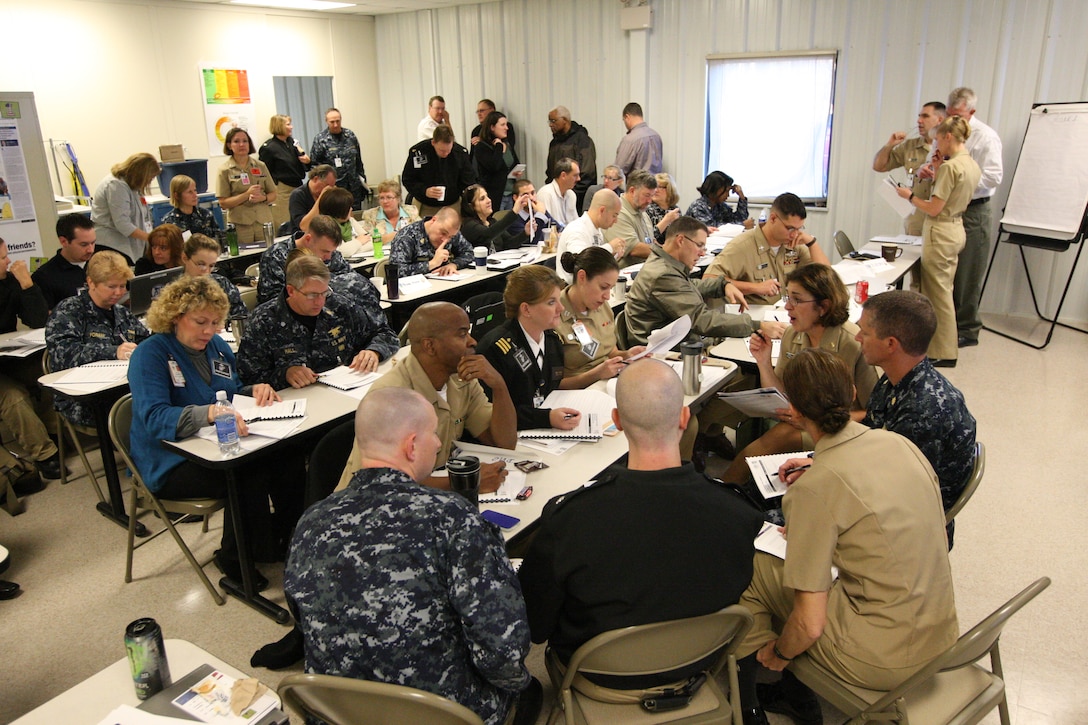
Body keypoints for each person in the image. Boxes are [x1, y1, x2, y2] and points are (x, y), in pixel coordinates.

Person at [735, 348, 956, 725]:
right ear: (853, 392)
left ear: (796, 413)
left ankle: (754, 690)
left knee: (750, 566)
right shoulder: (900, 445)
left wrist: (783, 653)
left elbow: (810, 624)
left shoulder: (814, 489)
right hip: (943, 635)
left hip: (880, 658)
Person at [286, 387, 531, 725]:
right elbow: (503, 650)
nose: (437, 443)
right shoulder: (453, 518)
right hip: (439, 713)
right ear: (411, 445)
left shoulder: (310, 521)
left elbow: (302, 616)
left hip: (339, 712)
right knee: (529, 694)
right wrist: (517, 685)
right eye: (432, 433)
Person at [518, 359, 764, 685]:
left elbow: (536, 626)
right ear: (684, 417)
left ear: (617, 421)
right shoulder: (739, 514)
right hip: (698, 662)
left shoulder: (569, 522)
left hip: (599, 675)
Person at [129, 275, 302, 588]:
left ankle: (286, 538)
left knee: (286, 458)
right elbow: (153, 418)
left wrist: (254, 390)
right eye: (200, 322)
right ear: (175, 316)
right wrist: (206, 413)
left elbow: (229, 392)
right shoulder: (150, 354)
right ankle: (234, 557)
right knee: (246, 473)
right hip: (169, 460)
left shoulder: (217, 346)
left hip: (215, 443)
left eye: (215, 322)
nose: (209, 330)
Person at [719, 263, 877, 487]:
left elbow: (875, 413)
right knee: (765, 441)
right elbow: (782, 393)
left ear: (824, 306)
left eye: (796, 300)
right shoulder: (793, 334)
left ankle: (726, 489)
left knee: (772, 442)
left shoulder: (852, 342)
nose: (787, 306)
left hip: (841, 426)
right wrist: (764, 362)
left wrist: (816, 420)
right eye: (787, 297)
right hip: (804, 419)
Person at [335, 302, 516, 494]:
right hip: (369, 507)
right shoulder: (393, 396)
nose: (472, 342)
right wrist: (466, 482)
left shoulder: (461, 378)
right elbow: (385, 484)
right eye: (462, 334)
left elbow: (503, 444)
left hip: (424, 493)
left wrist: (499, 386)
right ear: (430, 346)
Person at [855, 290, 976, 548]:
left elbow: (895, 494)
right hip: (888, 500)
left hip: (908, 530)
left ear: (890, 344)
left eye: (864, 333)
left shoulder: (923, 410)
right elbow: (868, 441)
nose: (857, 338)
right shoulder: (895, 380)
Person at [895, 115, 981, 366]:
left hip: (940, 230)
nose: (937, 147)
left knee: (939, 294)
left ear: (948, 137)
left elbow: (933, 208)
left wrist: (909, 195)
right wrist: (937, 171)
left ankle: (944, 351)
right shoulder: (969, 164)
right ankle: (935, 346)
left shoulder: (952, 167)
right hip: (955, 227)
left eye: (938, 141)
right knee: (940, 290)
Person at [238, 255, 393, 389]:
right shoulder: (263, 321)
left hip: (347, 392)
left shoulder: (338, 306)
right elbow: (248, 379)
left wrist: (374, 351)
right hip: (297, 405)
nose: (320, 301)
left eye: (324, 292)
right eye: (312, 295)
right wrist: (285, 374)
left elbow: (385, 333)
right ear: (291, 291)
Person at [624, 216, 783, 346]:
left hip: (676, 343)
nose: (702, 254)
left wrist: (723, 284)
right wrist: (757, 325)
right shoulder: (663, 275)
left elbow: (689, 286)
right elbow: (702, 320)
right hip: (666, 353)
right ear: (680, 240)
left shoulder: (665, 264)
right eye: (699, 246)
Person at [46, 250, 149, 427]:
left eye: (122, 286)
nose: (118, 292)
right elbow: (63, 354)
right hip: (84, 398)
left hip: (124, 387)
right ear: (91, 283)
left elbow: (145, 341)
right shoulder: (70, 310)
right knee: (142, 412)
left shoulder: (121, 312)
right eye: (111, 286)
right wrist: (113, 351)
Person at [477, 266, 581, 431]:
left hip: (546, 432)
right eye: (551, 302)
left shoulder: (553, 341)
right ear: (526, 309)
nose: (561, 309)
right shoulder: (496, 349)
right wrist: (546, 418)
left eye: (559, 300)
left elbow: (549, 390)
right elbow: (490, 412)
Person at [943, 88, 1003, 349]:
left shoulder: (986, 137)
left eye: (958, 115)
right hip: (950, 208)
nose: (953, 120)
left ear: (972, 113)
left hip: (975, 209)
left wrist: (962, 180)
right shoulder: (947, 133)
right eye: (949, 114)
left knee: (968, 271)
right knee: (949, 271)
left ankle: (967, 329)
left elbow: (994, 177)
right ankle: (948, 325)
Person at [0, 238, 60, 484]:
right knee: (14, 397)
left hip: (6, 357)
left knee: (46, 376)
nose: (8, 262)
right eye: (3, 258)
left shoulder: (9, 282)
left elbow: (38, 320)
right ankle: (45, 454)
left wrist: (27, 283)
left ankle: (54, 434)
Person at [704, 192, 831, 305]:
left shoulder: (794, 244)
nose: (794, 234)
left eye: (799, 229)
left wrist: (812, 243)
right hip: (754, 317)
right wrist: (755, 287)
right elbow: (709, 280)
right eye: (790, 228)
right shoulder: (743, 245)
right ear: (773, 218)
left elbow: (827, 278)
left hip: (784, 312)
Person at [555, 247, 646, 387]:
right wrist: (596, 374)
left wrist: (627, 355)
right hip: (579, 393)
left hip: (609, 382)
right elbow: (553, 385)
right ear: (582, 277)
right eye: (603, 287)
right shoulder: (554, 316)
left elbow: (610, 352)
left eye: (611, 288)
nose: (607, 296)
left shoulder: (601, 306)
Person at [872, 101, 946, 235]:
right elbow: (879, 166)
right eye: (919, 116)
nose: (919, 121)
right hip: (916, 218)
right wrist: (890, 145)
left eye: (925, 116)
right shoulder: (910, 147)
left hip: (941, 219)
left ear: (940, 119)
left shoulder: (949, 147)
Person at [256, 214, 352, 304]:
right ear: (308, 239)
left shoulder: (330, 251)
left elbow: (350, 279)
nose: (329, 257)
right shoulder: (275, 256)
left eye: (332, 251)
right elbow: (271, 300)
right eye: (325, 251)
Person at [91, 152, 159, 263]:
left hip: (129, 245)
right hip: (111, 245)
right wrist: (151, 238)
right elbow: (123, 224)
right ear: (140, 174)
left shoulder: (132, 185)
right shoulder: (116, 185)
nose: (149, 182)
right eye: (149, 178)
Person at [215, 128, 276, 246]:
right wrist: (246, 195)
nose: (241, 144)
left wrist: (263, 198)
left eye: (245, 141)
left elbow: (273, 194)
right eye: (236, 141)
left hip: (263, 222)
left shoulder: (260, 165)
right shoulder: (224, 170)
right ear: (229, 145)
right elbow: (223, 203)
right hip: (240, 224)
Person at [401, 125, 476, 217]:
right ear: (433, 142)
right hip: (425, 206)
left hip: (452, 205)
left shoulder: (460, 153)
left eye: (448, 150)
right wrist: (424, 190)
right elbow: (408, 179)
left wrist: (454, 192)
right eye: (442, 150)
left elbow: (468, 181)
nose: (446, 154)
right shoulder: (419, 152)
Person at [555, 189, 622, 283]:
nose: (616, 221)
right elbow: (581, 263)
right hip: (572, 289)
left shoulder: (596, 230)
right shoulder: (577, 230)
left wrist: (614, 255)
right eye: (614, 215)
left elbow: (597, 265)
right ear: (602, 210)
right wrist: (610, 247)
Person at [388, 206, 473, 276]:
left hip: (444, 285)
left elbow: (469, 252)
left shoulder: (450, 232)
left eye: (451, 237)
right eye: (443, 233)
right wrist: (432, 264)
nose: (445, 239)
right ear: (433, 220)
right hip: (414, 291)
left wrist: (454, 265)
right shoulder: (406, 237)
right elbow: (396, 272)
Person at [258, 114, 310, 230]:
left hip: (298, 187)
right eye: (288, 124)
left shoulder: (293, 143)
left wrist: (307, 161)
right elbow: (263, 173)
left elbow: (305, 166)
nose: (291, 127)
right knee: (284, 223)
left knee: (300, 222)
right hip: (282, 190)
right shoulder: (269, 148)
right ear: (279, 126)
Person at [309, 108, 367, 209]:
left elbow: (358, 161)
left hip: (353, 188)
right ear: (326, 121)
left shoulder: (350, 136)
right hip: (334, 190)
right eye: (332, 122)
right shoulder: (320, 139)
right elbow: (314, 167)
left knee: (355, 217)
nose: (335, 124)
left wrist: (363, 180)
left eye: (337, 121)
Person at [33, 215, 95, 308]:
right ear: (64, 241)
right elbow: (45, 318)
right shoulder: (44, 277)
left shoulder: (103, 263)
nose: (90, 250)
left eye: (93, 243)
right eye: (83, 244)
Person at [180, 234, 246, 320]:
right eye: (201, 264)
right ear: (185, 258)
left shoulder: (221, 284)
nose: (206, 271)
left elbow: (242, 315)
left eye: (211, 266)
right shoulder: (174, 291)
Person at [602, 169, 658, 267]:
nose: (650, 201)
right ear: (632, 191)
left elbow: (650, 242)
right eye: (647, 195)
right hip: (622, 275)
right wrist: (667, 252)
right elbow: (634, 249)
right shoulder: (617, 212)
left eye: (652, 196)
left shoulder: (643, 213)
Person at [546, 106, 596, 209]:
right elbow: (551, 171)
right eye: (549, 121)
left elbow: (588, 173)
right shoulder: (554, 143)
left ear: (565, 120)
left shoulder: (582, 140)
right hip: (557, 197)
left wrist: (571, 194)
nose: (551, 124)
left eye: (553, 121)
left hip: (578, 199)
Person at [473, 111, 521, 210]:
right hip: (495, 196)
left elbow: (514, 162)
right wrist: (498, 148)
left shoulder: (507, 144)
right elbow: (494, 166)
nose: (506, 128)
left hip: (510, 193)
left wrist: (517, 171)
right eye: (502, 125)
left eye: (506, 124)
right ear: (492, 127)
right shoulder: (481, 147)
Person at [459, 185, 525, 252]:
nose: (489, 200)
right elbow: (488, 234)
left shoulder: (492, 221)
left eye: (487, 196)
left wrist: (526, 233)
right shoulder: (469, 225)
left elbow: (509, 243)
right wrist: (514, 212)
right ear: (471, 206)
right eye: (482, 199)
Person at [360, 179, 422, 246]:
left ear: (398, 199)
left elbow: (422, 236)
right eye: (382, 198)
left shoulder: (411, 212)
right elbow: (366, 242)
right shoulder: (371, 216)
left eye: (389, 197)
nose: (385, 201)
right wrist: (389, 237)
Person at [685, 171, 752, 231]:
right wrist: (741, 225)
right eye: (726, 191)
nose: (728, 195)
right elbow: (712, 228)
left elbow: (739, 219)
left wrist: (741, 196)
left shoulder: (720, 205)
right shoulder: (698, 206)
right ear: (716, 189)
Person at [613, 102, 663, 175]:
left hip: (636, 184)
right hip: (655, 184)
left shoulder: (630, 139)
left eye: (624, 120)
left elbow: (619, 170)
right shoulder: (656, 136)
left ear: (627, 117)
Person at [288, 164, 337, 235]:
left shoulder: (329, 195)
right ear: (315, 179)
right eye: (326, 185)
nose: (329, 189)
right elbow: (304, 226)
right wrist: (321, 198)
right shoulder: (297, 195)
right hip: (304, 238)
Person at [505, 179, 556, 246]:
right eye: (525, 195)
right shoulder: (513, 219)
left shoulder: (538, 210)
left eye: (532, 193)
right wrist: (540, 214)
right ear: (515, 198)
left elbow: (557, 227)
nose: (531, 198)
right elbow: (532, 242)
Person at [537, 157, 580, 227]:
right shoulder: (546, 194)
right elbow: (546, 225)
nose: (579, 179)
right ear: (563, 175)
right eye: (575, 175)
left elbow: (576, 222)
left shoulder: (571, 194)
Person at [646, 172, 681, 244]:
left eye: (660, 187)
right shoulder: (647, 209)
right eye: (654, 187)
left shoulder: (675, 209)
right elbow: (648, 238)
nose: (656, 190)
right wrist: (666, 220)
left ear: (670, 190)